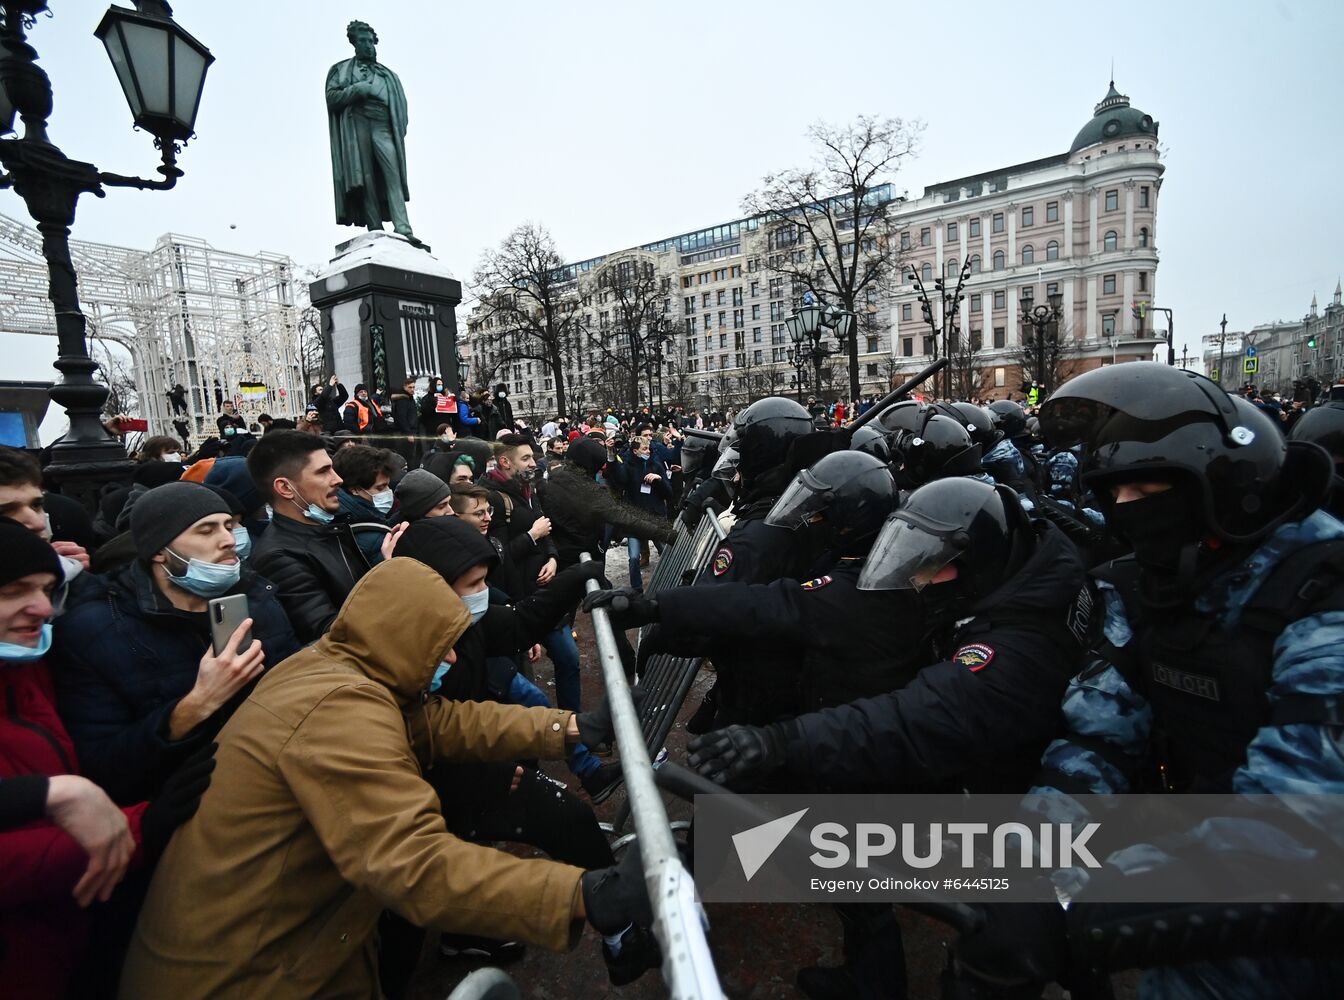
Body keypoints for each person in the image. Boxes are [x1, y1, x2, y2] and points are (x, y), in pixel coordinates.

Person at [951, 363, 1344, 998]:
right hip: (1196, 946)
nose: (1127, 513)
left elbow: (1303, 823)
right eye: (1115, 497)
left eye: (1147, 490)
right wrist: (1026, 874)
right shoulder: (1145, 589)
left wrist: (1087, 911)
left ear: (1225, 483)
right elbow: (1094, 742)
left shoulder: (1324, 594)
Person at [118, 557, 655, 999]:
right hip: (248, 975)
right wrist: (581, 895)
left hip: (285, 950)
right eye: (438, 641)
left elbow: (446, 722)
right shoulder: (340, 707)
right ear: (400, 634)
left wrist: (572, 727)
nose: (449, 655)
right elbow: (413, 862)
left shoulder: (342, 666)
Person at [687, 476, 1090, 998]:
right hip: (976, 777)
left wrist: (784, 741)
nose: (921, 579)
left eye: (934, 565)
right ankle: (873, 976)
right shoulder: (1028, 579)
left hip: (1006, 806)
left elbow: (921, 713)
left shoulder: (1013, 643)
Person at [0, 520, 216, 1000]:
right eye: (14, 591)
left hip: (67, 944)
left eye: (47, 590)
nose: (40, 607)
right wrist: (142, 829)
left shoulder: (27, 668)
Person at [51, 481, 298, 805]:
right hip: (185, 809)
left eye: (229, 525)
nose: (228, 540)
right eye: (206, 530)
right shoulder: (93, 631)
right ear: (158, 549)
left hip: (277, 782)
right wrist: (197, 704)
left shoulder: (257, 598)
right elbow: (105, 768)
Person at [246, 430, 386, 642]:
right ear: (285, 487)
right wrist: (392, 575)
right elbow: (332, 636)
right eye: (323, 472)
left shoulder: (331, 529)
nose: (337, 479)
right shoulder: (279, 558)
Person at [325, 20, 418, 242]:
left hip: (383, 125)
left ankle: (403, 228)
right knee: (364, 176)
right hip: (356, 123)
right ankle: (374, 225)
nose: (368, 46)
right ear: (354, 44)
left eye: (370, 41)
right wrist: (357, 90)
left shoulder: (388, 75)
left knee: (392, 174)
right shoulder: (341, 70)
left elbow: (401, 108)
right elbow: (332, 98)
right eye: (362, 41)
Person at [544, 436, 677, 572]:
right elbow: (624, 518)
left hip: (561, 555)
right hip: (577, 558)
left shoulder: (556, 478)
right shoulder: (587, 490)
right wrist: (666, 534)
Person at [607, 431, 671, 592]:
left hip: (655, 517)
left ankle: (672, 581)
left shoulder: (656, 465)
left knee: (666, 553)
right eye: (644, 449)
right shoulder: (628, 466)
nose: (648, 451)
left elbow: (668, 493)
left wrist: (659, 480)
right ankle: (637, 589)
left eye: (648, 448)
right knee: (634, 557)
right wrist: (611, 455)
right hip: (635, 520)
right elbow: (619, 479)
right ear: (635, 451)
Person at [332, 444, 397, 561]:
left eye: (388, 485)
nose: (389, 493)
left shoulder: (333, 516)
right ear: (355, 489)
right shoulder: (376, 540)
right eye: (380, 488)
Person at [389, 375, 420, 463]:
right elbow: (401, 417)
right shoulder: (403, 400)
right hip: (406, 433)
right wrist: (408, 433)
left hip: (410, 431)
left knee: (411, 457)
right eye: (410, 387)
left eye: (413, 387)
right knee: (408, 458)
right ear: (404, 387)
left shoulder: (409, 398)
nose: (412, 389)